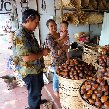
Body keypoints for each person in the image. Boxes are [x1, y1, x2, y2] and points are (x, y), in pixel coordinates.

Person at [13, 9, 50, 109]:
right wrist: (42, 53)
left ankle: (36, 100)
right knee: (34, 93)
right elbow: (26, 57)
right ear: (28, 19)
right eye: (36, 22)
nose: (37, 25)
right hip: (30, 71)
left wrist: (41, 50)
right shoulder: (21, 35)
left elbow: (32, 50)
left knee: (36, 89)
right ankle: (34, 104)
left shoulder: (29, 33)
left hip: (35, 68)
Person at [45, 19, 69, 97]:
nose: (54, 27)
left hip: (64, 57)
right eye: (51, 26)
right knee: (57, 74)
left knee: (64, 73)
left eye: (55, 25)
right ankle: (55, 90)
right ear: (48, 27)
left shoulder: (60, 34)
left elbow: (67, 44)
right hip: (56, 58)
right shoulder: (49, 37)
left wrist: (63, 47)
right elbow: (54, 49)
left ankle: (62, 87)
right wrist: (62, 47)